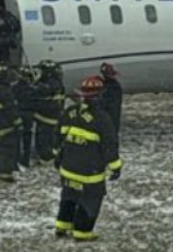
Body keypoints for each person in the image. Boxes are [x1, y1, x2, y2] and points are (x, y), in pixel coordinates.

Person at [54, 75, 122, 242]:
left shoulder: (70, 112)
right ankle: (83, 231)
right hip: (89, 172)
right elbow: (109, 146)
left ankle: (62, 225)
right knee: (90, 199)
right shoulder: (103, 119)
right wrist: (115, 167)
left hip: (68, 167)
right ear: (100, 95)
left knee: (69, 195)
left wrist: (59, 157)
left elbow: (58, 137)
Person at [33, 60, 65, 164]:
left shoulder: (50, 85)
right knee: (45, 138)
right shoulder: (52, 83)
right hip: (48, 117)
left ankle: (47, 158)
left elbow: (51, 104)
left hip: (47, 118)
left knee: (44, 139)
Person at [12, 65, 39, 169]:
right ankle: (25, 161)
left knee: (16, 139)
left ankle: (16, 160)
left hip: (16, 115)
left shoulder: (13, 88)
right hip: (27, 116)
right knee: (26, 138)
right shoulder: (32, 90)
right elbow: (36, 104)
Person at [99, 62, 123, 135]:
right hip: (110, 118)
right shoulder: (112, 86)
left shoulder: (112, 87)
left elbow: (108, 104)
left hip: (110, 118)